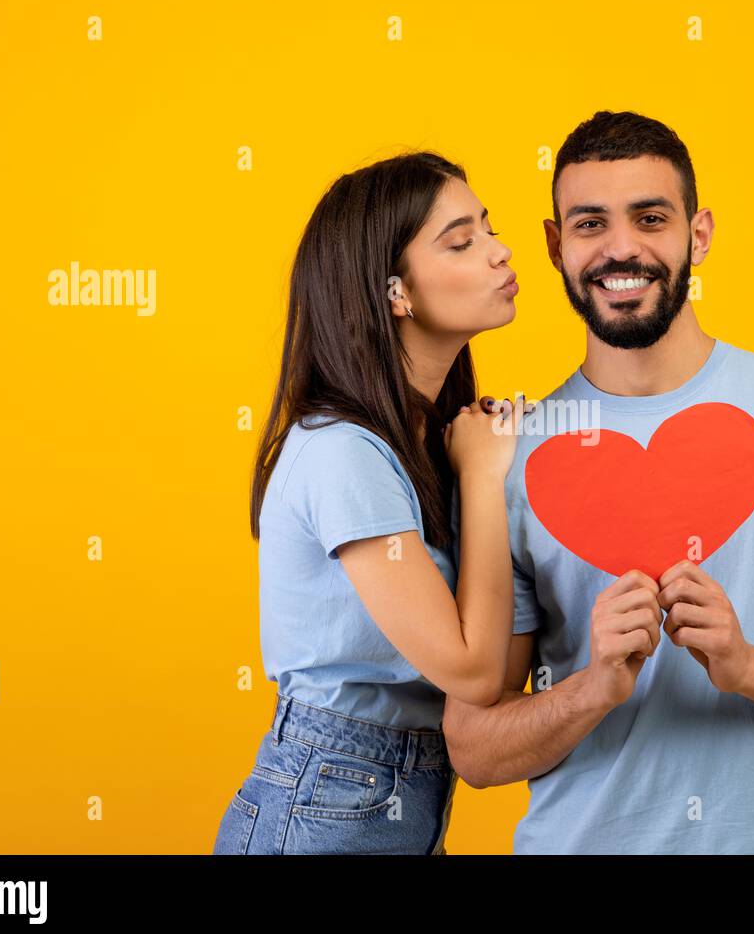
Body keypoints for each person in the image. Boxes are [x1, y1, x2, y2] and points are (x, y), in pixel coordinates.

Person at [443, 111, 754, 853]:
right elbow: (474, 748)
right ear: (555, 245)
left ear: (698, 234)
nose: (621, 249)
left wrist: (750, 667)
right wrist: (592, 687)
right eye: (589, 224)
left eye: (651, 218)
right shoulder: (501, 458)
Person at [213, 151, 526, 855]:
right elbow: (473, 671)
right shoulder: (343, 450)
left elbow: (497, 668)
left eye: (489, 227)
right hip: (329, 799)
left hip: (392, 799)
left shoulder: (425, 443)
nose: (500, 251)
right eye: (462, 240)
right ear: (396, 294)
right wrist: (482, 478)